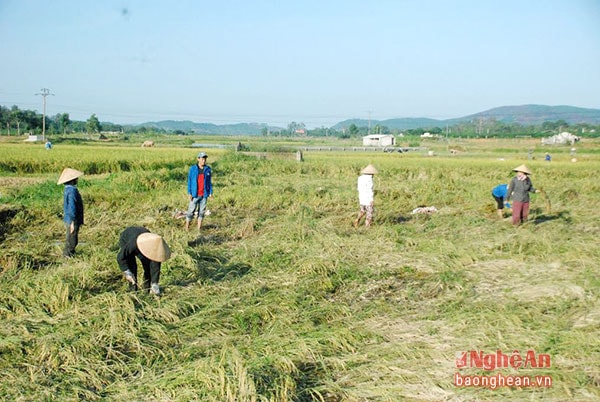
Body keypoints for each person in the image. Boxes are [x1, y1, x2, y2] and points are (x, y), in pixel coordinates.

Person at [117, 226, 171, 295]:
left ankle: (147, 289)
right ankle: (133, 290)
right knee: (132, 266)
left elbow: (155, 265)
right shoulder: (132, 244)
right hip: (128, 237)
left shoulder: (155, 246)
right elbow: (121, 257)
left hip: (143, 235)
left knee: (148, 266)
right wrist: (127, 272)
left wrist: (155, 283)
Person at [57, 168, 84, 258]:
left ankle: (69, 255)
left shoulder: (67, 190)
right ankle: (67, 256)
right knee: (72, 239)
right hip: (72, 219)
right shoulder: (72, 191)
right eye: (76, 178)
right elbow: (72, 207)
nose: (77, 179)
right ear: (72, 180)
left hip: (68, 218)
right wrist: (72, 221)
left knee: (70, 237)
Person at [185, 152, 213, 231]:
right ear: (198, 159)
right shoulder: (193, 169)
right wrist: (189, 193)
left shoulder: (208, 169)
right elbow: (189, 181)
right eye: (202, 159)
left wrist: (210, 192)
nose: (203, 161)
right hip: (195, 194)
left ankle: (198, 229)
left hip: (204, 194)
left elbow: (209, 182)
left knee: (201, 212)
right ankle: (187, 228)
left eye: (205, 159)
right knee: (190, 211)